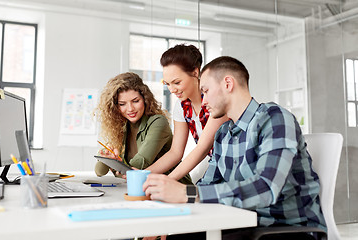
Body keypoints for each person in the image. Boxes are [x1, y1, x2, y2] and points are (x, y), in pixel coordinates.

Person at [143, 56, 326, 240]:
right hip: (242, 223)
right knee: (176, 236)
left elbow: (266, 188)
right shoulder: (223, 135)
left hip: (287, 228)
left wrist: (187, 193)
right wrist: (166, 215)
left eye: (205, 91)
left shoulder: (274, 118)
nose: (203, 101)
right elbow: (207, 185)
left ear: (228, 84)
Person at [146, 44, 228, 183]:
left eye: (176, 82)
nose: (172, 89)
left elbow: (202, 148)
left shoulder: (214, 99)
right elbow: (175, 153)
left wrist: (168, 180)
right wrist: (144, 173)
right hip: (217, 166)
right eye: (167, 84)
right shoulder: (182, 106)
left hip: (236, 165)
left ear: (196, 73)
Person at [94, 72, 191, 184]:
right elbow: (99, 171)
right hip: (146, 189)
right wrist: (108, 158)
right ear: (115, 107)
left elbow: (138, 165)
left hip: (175, 188)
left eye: (135, 101)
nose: (130, 109)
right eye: (122, 104)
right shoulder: (122, 128)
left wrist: (116, 166)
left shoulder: (158, 123)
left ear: (145, 99)